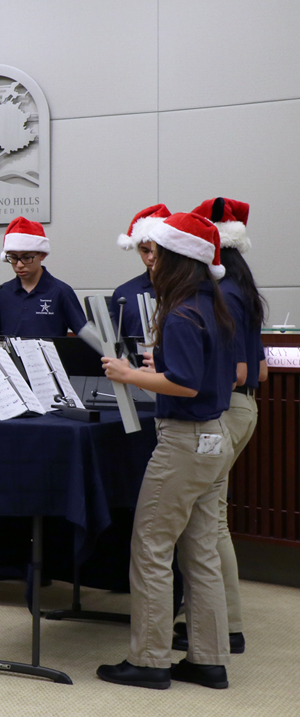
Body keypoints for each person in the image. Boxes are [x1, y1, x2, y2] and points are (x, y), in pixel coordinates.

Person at [97, 211, 237, 690]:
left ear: (179, 259)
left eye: (158, 254)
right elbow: (208, 374)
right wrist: (160, 367)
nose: (151, 262)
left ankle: (150, 659)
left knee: (151, 546)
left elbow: (185, 384)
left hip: (184, 441)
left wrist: (129, 374)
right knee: (201, 551)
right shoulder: (213, 305)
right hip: (215, 436)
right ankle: (209, 660)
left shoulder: (179, 313)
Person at [169, 197, 268, 656]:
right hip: (244, 408)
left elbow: (241, 371)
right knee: (212, 522)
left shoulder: (221, 294)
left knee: (209, 526)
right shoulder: (243, 288)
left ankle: (224, 627)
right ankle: (223, 625)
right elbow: (260, 371)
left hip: (225, 408)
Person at [0, 216, 86, 337]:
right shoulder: (3, 293)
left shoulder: (61, 292)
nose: (19, 265)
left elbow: (86, 336)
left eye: (27, 257)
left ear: (42, 255)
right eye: (13, 258)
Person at [112, 204, 170, 337]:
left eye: (157, 250)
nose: (151, 257)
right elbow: (117, 341)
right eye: (145, 250)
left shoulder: (188, 290)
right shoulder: (124, 293)